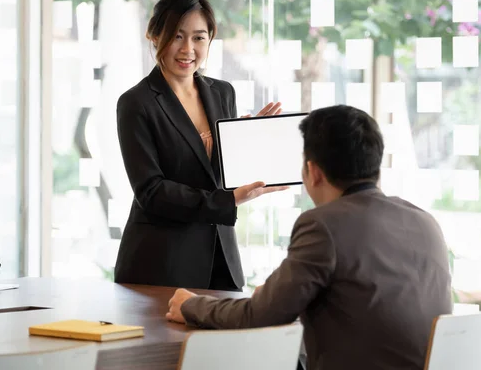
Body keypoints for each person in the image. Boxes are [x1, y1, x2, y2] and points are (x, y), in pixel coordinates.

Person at [167, 105, 453, 370]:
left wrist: (191, 305)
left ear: (312, 172)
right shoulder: (425, 221)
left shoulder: (323, 225)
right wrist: (275, 297)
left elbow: (261, 316)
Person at [114, 0, 285, 290]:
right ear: (154, 36)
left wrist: (253, 142)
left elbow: (219, 176)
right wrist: (228, 200)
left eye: (199, 37)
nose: (188, 49)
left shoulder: (222, 93)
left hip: (222, 259)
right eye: (177, 36)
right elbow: (151, 191)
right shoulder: (136, 103)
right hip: (161, 264)